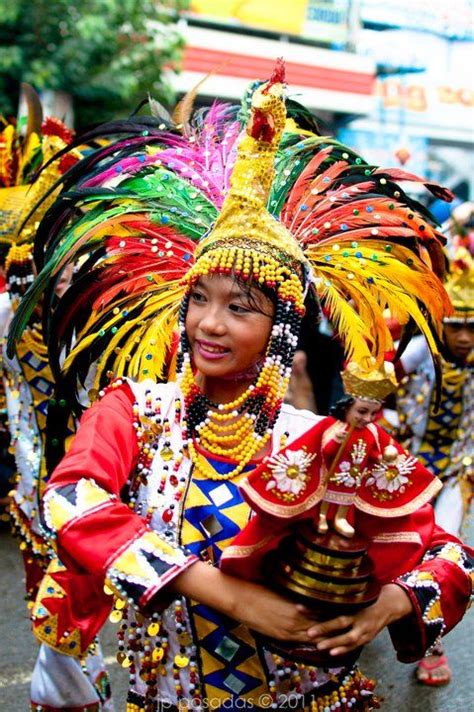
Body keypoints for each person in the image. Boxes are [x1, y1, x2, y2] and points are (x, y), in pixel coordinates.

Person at [8, 64, 472, 711]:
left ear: (283, 325)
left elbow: (452, 556)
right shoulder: (136, 413)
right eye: (198, 298)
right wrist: (227, 593)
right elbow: (69, 500)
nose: (209, 323)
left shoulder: (326, 443)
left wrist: (384, 610)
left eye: (240, 307)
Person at [0, 101, 113, 710]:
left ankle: (75, 695)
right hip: (29, 486)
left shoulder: (102, 321)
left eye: (70, 265)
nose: (60, 277)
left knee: (77, 605)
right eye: (47, 267)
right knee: (47, 602)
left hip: (92, 488)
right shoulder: (6, 319)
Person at [393, 248, 473, 687]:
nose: (463, 337)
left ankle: (431, 641)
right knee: (395, 546)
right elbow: (384, 378)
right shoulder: (424, 349)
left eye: (472, 327)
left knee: (442, 553)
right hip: (407, 464)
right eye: (455, 325)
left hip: (456, 474)